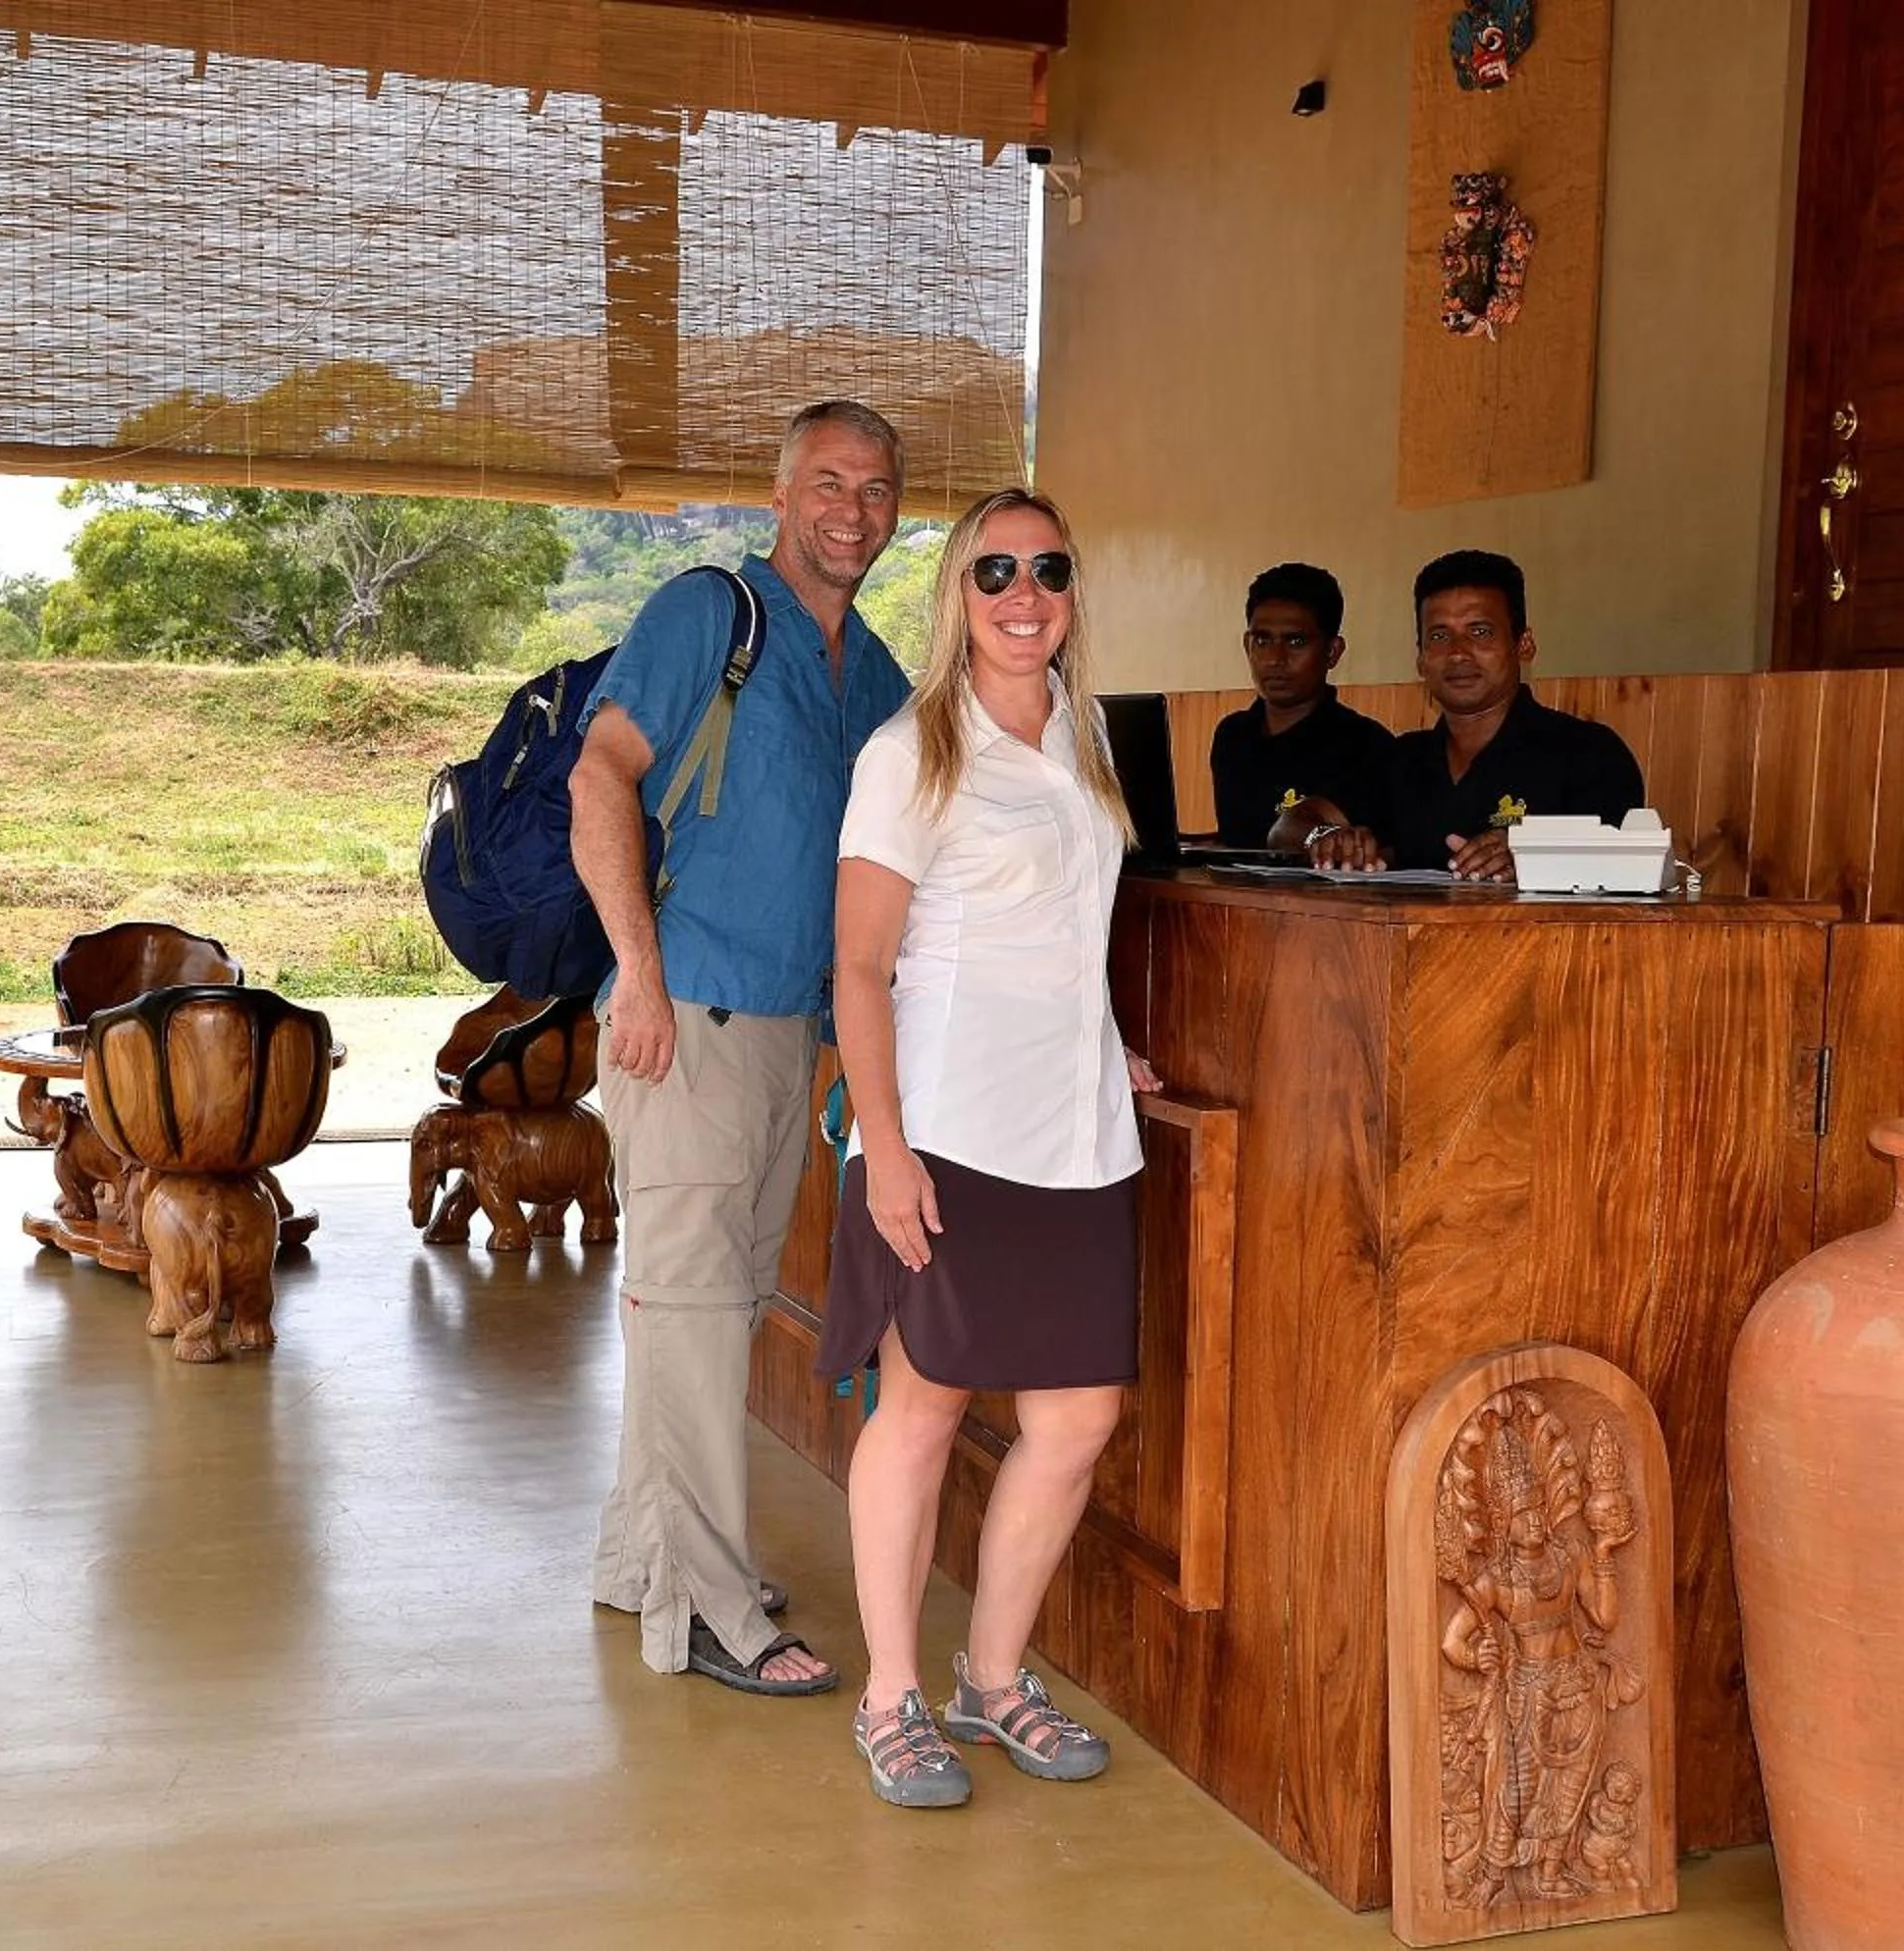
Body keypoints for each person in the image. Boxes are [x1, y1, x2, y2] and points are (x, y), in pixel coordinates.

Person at [821, 487, 1160, 1809]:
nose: (1026, 597)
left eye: (1050, 571)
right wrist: (887, 1148)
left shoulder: (1085, 738)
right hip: (949, 1130)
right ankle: (892, 1696)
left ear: (1074, 592)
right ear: (958, 594)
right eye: (997, 572)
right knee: (924, 1408)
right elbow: (859, 967)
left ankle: (992, 1679)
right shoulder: (914, 751)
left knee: (1077, 1416)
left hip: (1079, 1132)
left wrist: (1108, 1039)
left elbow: (1069, 932)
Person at [569, 400, 914, 1697]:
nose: (854, 510)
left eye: (878, 490)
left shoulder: (867, 668)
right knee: (697, 1317)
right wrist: (642, 981)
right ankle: (708, 1610)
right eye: (830, 482)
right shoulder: (711, 615)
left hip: (785, 1040)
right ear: (780, 494)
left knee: (711, 1310)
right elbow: (600, 781)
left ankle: (638, 1556)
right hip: (689, 1021)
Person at [1307, 550, 1643, 882]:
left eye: (1479, 631)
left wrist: (1533, 855)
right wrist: (1326, 839)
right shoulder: (1401, 759)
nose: (1457, 653)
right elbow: (1292, 824)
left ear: (1523, 645)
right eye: (1439, 636)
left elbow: (1623, 861)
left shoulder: (1589, 754)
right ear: (1421, 658)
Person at [1207, 561, 1397, 848]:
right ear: (1247, 645)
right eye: (1262, 640)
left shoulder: (1367, 745)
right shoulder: (1232, 736)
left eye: (1295, 641)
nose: (1275, 658)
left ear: (1332, 652)